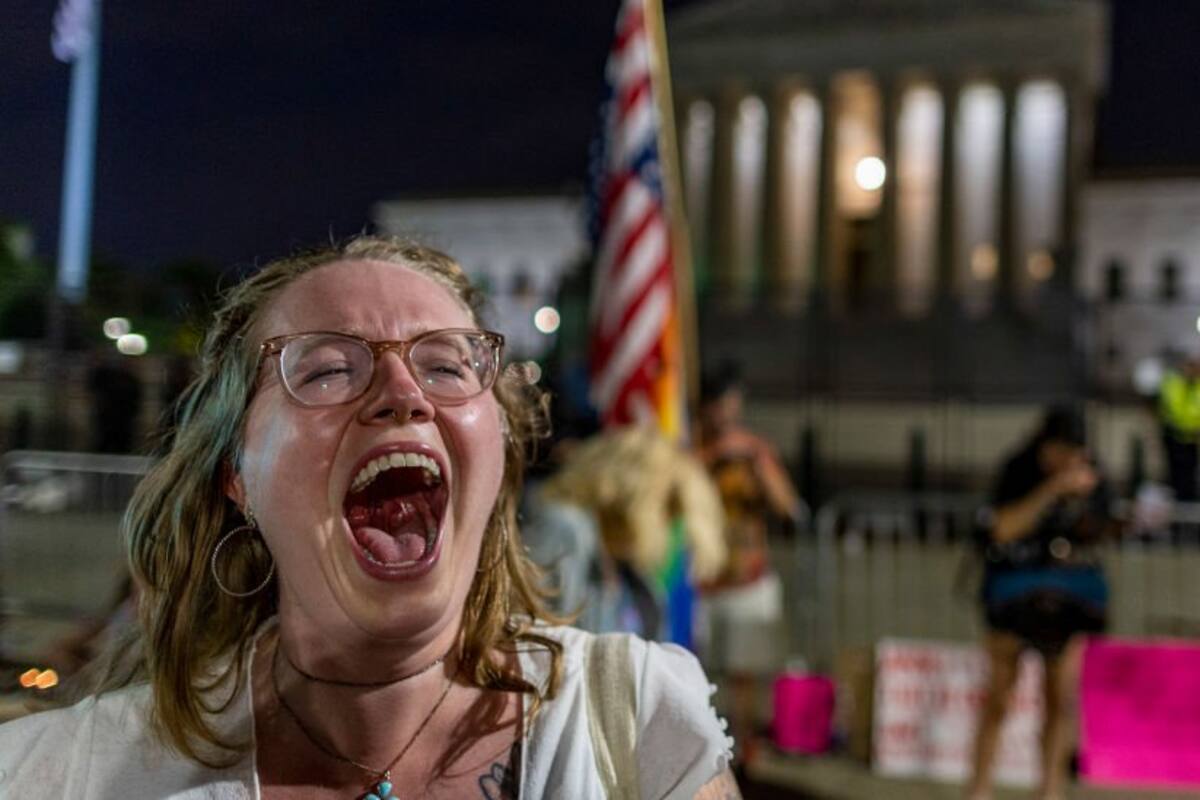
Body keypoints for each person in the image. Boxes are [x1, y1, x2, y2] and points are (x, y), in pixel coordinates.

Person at [0, 236, 738, 799]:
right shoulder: (67, 773)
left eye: (447, 366)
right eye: (325, 369)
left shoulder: (639, 730)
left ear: (499, 448)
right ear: (236, 475)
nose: (401, 392)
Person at [967, 406, 1115, 800]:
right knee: (999, 695)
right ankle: (979, 788)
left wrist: (1083, 500)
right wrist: (1051, 491)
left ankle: (1050, 791)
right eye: (1061, 450)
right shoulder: (1018, 470)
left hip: (1067, 598)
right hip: (1013, 591)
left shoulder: (1092, 474)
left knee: (1061, 699)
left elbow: (1101, 532)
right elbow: (1001, 528)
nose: (1067, 460)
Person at [695, 362, 803, 765]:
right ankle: (702, 751)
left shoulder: (753, 449)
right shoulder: (692, 449)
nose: (725, 414)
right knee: (698, 673)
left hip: (748, 579)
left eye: (731, 404)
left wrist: (755, 460)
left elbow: (788, 506)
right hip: (703, 581)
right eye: (718, 405)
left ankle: (748, 754)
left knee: (746, 674)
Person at [522, 426, 726, 639]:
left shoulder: (635, 577)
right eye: (667, 508)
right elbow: (531, 638)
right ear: (633, 495)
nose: (669, 530)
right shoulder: (566, 529)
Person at [1158, 351, 1200, 502]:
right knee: (1176, 475)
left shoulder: (1197, 386)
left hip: (1193, 440)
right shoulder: (1173, 383)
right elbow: (1172, 411)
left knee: (1191, 476)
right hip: (1175, 438)